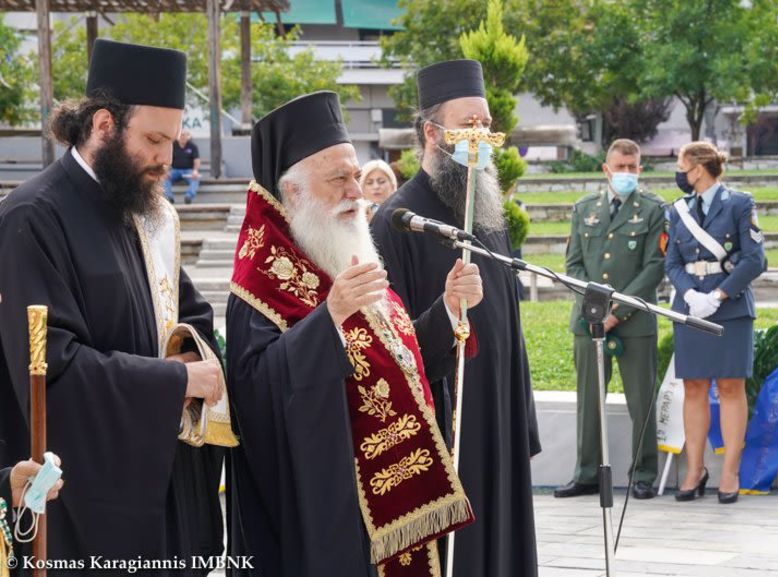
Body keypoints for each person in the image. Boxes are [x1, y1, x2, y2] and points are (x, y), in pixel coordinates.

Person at [226, 91, 483, 576]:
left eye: (356, 176)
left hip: (391, 500)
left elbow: (395, 366)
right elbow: (253, 392)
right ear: (294, 192)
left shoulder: (342, 246)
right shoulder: (260, 279)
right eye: (338, 180)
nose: (356, 193)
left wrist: (447, 312)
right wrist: (329, 320)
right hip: (327, 506)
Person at [0, 39, 226, 570]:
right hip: (84, 502)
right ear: (104, 124)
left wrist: (195, 359)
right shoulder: (33, 217)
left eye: (172, 141)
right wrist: (174, 382)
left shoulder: (147, 212)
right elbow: (46, 370)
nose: (167, 158)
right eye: (153, 139)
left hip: (161, 481)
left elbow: (191, 314)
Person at [371, 59, 540, 577]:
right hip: (450, 424)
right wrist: (445, 313)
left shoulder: (486, 212)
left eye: (486, 125)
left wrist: (521, 418)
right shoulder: (397, 222)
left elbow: (509, 327)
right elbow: (387, 347)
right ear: (431, 132)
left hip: (499, 413)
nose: (481, 136)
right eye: (468, 124)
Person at [555, 138, 665, 500]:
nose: (627, 174)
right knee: (588, 401)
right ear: (606, 169)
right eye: (620, 167)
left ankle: (644, 473)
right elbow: (573, 266)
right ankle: (586, 473)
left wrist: (617, 312)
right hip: (589, 323)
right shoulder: (584, 208)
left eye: (633, 168)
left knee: (641, 401)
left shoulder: (653, 209)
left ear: (640, 169)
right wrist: (596, 311)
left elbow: (654, 267)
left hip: (635, 323)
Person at [665, 141, 765, 504]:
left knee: (729, 387)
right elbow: (671, 262)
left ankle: (730, 472)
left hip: (731, 307)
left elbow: (754, 260)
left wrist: (718, 296)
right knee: (693, 386)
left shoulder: (740, 203)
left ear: (698, 169)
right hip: (691, 306)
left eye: (681, 164)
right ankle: (695, 470)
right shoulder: (678, 210)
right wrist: (691, 296)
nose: (678, 172)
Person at [164, 130, 201, 204]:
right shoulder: (172, 146)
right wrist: (166, 171)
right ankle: (169, 198)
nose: (182, 137)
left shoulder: (193, 146)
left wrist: (195, 171)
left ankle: (188, 197)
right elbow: (167, 160)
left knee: (196, 178)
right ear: (177, 137)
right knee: (164, 177)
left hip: (188, 171)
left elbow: (196, 160)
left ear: (188, 137)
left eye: (184, 135)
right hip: (175, 170)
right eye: (181, 135)